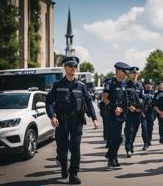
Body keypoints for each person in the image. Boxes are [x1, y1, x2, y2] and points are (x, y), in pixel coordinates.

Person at [45, 56, 99, 184]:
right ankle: (64, 166)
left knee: (75, 148)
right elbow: (48, 102)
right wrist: (52, 116)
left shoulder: (81, 86)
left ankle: (73, 174)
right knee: (62, 150)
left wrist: (95, 119)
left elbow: (89, 103)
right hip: (61, 121)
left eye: (75, 66)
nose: (73, 68)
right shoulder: (57, 85)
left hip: (77, 121)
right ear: (65, 68)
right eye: (70, 66)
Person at [102, 62, 131, 167]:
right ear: (118, 71)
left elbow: (124, 99)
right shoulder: (110, 83)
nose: (125, 74)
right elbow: (104, 98)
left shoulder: (123, 84)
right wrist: (114, 107)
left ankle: (112, 158)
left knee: (116, 138)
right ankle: (111, 156)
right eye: (124, 72)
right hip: (111, 114)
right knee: (118, 138)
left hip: (121, 114)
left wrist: (129, 107)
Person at [124, 66, 147, 157]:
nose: (135, 75)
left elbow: (142, 98)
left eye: (136, 73)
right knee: (130, 130)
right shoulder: (126, 85)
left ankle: (131, 144)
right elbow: (124, 98)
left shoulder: (140, 86)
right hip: (129, 112)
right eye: (133, 73)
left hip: (137, 112)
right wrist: (129, 106)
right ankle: (128, 148)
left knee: (135, 130)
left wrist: (141, 108)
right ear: (130, 74)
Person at [143, 80, 155, 147]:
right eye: (147, 84)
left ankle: (149, 140)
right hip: (143, 112)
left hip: (151, 112)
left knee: (150, 127)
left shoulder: (154, 93)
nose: (148, 85)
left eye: (150, 84)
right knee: (144, 127)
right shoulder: (142, 92)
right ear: (145, 85)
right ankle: (145, 142)